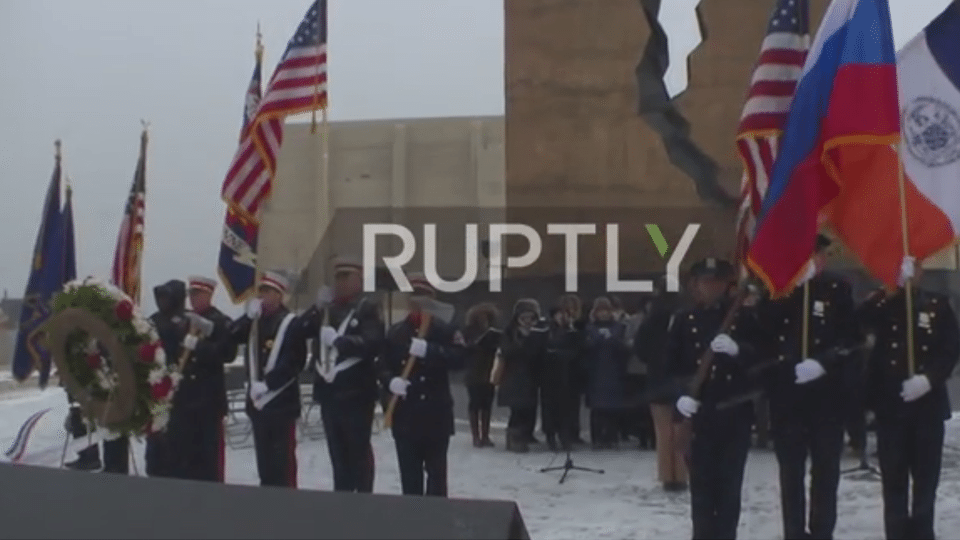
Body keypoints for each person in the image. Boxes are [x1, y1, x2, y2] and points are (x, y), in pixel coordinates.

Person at [757, 234, 858, 540]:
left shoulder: (837, 289)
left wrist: (824, 363)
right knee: (791, 472)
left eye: (819, 255)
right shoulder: (777, 289)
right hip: (788, 397)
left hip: (827, 397)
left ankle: (822, 531)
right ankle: (794, 531)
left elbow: (851, 339)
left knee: (826, 470)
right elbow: (763, 332)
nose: (817, 261)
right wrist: (790, 292)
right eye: (809, 255)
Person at [857, 259, 959, 540]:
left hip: (927, 407)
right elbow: (859, 322)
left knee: (925, 482)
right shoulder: (884, 304)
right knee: (894, 482)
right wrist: (889, 290)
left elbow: (951, 349)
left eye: (915, 267)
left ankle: (923, 534)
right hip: (891, 407)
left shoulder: (938, 305)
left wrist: (929, 379)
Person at [668, 257, 761, 539]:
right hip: (700, 415)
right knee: (702, 490)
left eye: (717, 283)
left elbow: (762, 360)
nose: (711, 288)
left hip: (734, 414)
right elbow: (669, 367)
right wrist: (680, 398)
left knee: (729, 489)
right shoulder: (684, 320)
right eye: (705, 282)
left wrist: (738, 351)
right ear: (695, 285)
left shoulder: (741, 318)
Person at [298, 256, 382, 493]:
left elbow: (372, 343)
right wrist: (316, 308)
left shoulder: (367, 308)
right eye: (338, 278)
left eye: (347, 277)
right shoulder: (328, 309)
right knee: (338, 455)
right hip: (330, 393)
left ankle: (362, 499)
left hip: (356, 392)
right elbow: (299, 330)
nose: (341, 283)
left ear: (359, 279)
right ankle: (342, 497)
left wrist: (340, 341)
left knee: (358, 452)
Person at [379, 273, 464, 496]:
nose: (417, 301)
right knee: (410, 479)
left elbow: (460, 359)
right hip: (406, 416)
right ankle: (413, 516)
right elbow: (382, 365)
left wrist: (431, 350)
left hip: (435, 414)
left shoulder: (444, 330)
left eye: (423, 295)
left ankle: (435, 517)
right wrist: (391, 382)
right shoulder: (396, 332)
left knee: (437, 478)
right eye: (413, 295)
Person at [228, 271, 306, 487]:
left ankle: (286, 503)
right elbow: (231, 334)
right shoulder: (255, 322)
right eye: (261, 292)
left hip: (281, 404)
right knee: (265, 467)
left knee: (283, 466)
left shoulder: (291, 324)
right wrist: (247, 317)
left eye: (269, 292)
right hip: (259, 406)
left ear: (280, 295)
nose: (263, 296)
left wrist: (269, 384)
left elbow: (294, 362)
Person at [168, 275, 236, 482]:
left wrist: (200, 346)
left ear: (209, 294)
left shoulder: (221, 322)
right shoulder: (183, 320)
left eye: (198, 294)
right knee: (184, 459)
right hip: (184, 400)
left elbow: (227, 353)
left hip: (208, 400)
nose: (193, 298)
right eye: (191, 294)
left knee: (209, 459)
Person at [636, 277, 686, 491]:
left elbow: (640, 349)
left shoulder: (651, 320)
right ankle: (681, 475)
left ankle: (667, 476)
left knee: (663, 432)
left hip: (657, 378)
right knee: (682, 430)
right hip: (682, 379)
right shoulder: (686, 316)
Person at [146, 279, 189, 478]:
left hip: (181, 391)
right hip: (155, 387)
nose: (162, 301)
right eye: (160, 297)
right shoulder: (153, 320)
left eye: (166, 297)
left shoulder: (187, 321)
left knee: (177, 444)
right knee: (156, 438)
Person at [497, 298, 547, 453]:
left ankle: (526, 434)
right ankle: (514, 438)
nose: (527, 321)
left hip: (531, 375)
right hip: (513, 376)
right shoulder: (510, 332)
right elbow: (507, 351)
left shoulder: (539, 332)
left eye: (531, 318)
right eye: (523, 317)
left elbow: (540, 353)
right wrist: (524, 340)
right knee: (517, 409)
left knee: (529, 407)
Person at [584, 297, 630, 449]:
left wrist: (609, 339)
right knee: (597, 409)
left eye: (606, 311)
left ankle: (612, 437)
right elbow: (588, 346)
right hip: (596, 373)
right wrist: (601, 338)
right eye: (600, 311)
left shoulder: (619, 327)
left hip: (614, 372)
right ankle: (597, 438)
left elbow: (622, 346)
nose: (603, 314)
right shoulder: (589, 327)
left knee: (613, 409)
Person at [540, 305, 581, 451]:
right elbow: (539, 351)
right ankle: (550, 435)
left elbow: (578, 351)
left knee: (567, 408)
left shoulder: (573, 333)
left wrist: (562, 354)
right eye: (559, 314)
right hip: (549, 376)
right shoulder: (546, 332)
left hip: (568, 375)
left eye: (566, 315)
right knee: (549, 407)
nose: (563, 317)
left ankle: (565, 436)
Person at [463, 302, 501, 448]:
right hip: (473, 371)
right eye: (481, 317)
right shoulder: (468, 331)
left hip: (488, 369)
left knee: (487, 404)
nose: (484, 320)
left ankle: (485, 435)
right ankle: (475, 436)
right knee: (475, 403)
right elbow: (465, 348)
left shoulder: (493, 332)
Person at [559, 294, 588, 445]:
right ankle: (564, 433)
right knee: (563, 403)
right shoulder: (558, 326)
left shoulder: (582, 325)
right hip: (561, 369)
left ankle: (574, 432)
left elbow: (583, 344)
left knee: (575, 404)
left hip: (578, 368)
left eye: (574, 308)